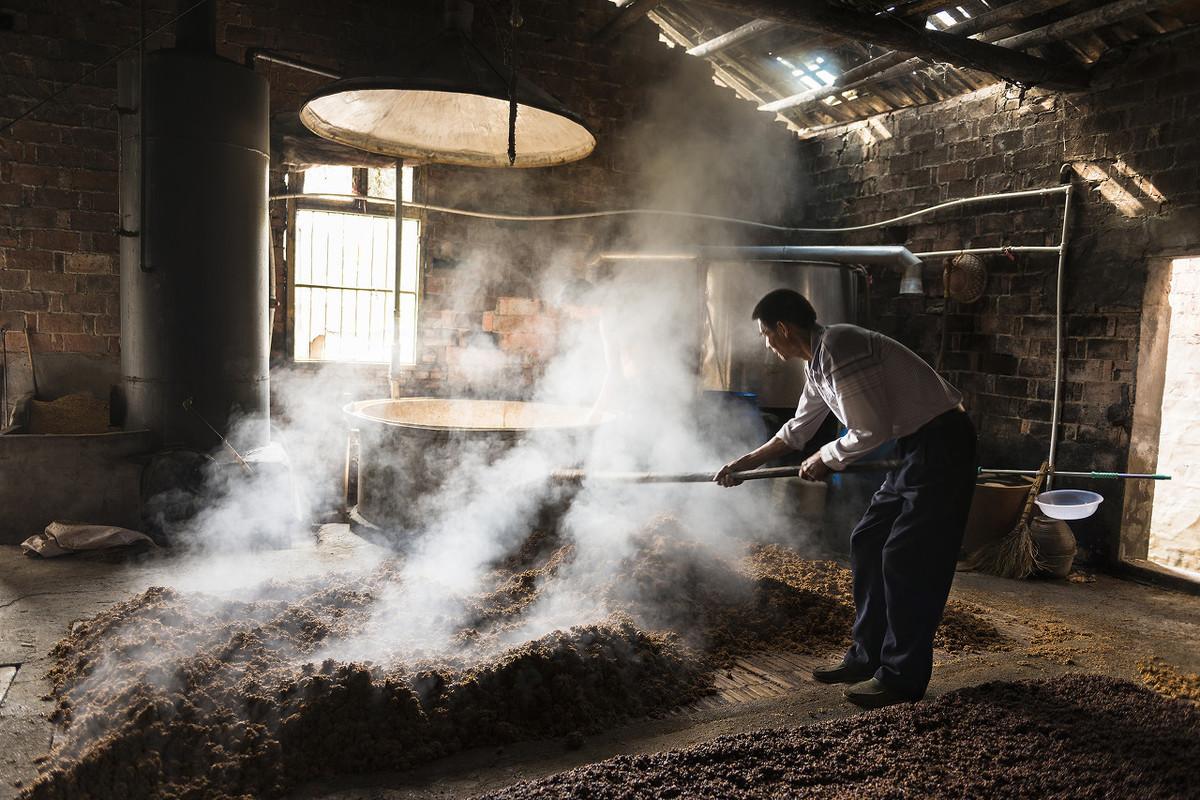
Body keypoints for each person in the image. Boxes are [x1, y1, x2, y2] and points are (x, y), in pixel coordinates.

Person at [715, 289, 977, 709]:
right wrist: (745, 464)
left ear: (783, 328)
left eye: (766, 334)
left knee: (908, 557)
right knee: (868, 540)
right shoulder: (818, 362)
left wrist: (826, 457)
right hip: (914, 447)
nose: (766, 344)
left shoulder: (840, 347)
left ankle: (902, 677)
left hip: (941, 443)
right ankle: (866, 656)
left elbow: (870, 430)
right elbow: (798, 430)